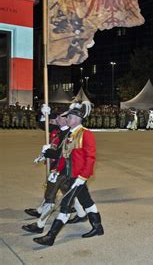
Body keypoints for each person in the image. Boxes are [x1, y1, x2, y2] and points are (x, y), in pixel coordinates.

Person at [33, 101, 104, 246]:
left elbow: (90, 158)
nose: (67, 120)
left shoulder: (86, 134)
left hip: (77, 177)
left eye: (70, 117)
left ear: (78, 119)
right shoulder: (69, 134)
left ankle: (50, 237)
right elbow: (62, 155)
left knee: (65, 206)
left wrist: (83, 177)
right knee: (87, 202)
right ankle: (98, 227)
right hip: (70, 175)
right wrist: (51, 161)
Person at [22, 110, 87, 234]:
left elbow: (61, 153)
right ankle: (82, 213)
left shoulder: (70, 133)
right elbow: (43, 125)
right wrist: (42, 113)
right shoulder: (60, 130)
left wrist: (47, 152)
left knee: (50, 197)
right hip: (61, 169)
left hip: (61, 169)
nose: (58, 118)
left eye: (62, 117)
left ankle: (40, 224)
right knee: (67, 193)